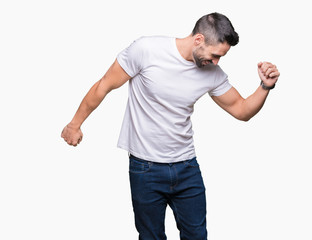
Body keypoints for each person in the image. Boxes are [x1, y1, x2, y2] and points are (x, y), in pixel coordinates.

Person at [61, 12, 280, 240]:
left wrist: (265, 87)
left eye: (220, 58)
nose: (216, 63)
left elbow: (241, 110)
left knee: (197, 236)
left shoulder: (212, 73)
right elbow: (104, 85)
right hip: (145, 168)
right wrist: (75, 124)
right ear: (198, 40)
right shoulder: (146, 50)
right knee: (151, 237)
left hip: (187, 168)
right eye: (215, 55)